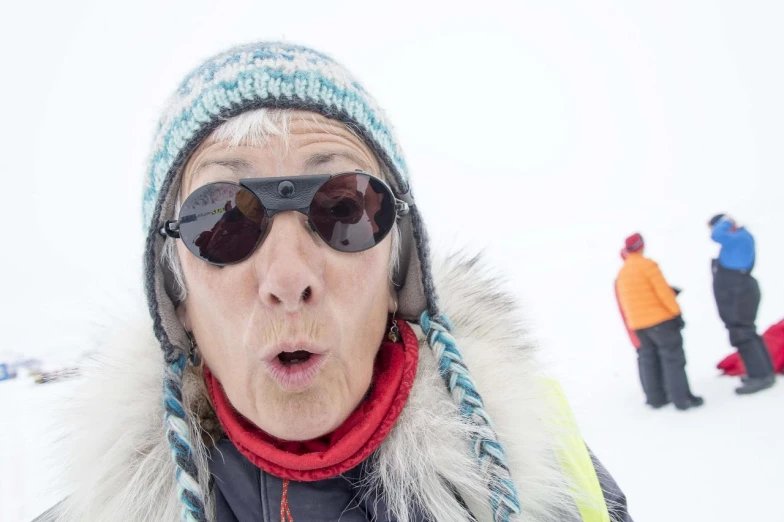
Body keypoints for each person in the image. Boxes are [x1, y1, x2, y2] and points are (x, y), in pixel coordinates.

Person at [35, 42, 631, 522]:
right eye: (220, 219)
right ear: (177, 303)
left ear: (401, 275)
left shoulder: (554, 492)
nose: (289, 277)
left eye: (345, 209)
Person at [616, 233, 703, 410]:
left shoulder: (623, 273)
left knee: (648, 359)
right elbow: (663, 293)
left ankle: (656, 398)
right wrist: (676, 313)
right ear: (641, 246)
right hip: (660, 321)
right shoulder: (647, 265)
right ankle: (681, 398)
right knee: (673, 358)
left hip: (638, 325)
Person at [709, 214, 776, 394]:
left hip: (739, 292)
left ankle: (760, 376)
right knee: (747, 332)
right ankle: (763, 372)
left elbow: (716, 236)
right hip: (739, 291)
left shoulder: (738, 236)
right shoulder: (737, 239)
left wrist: (725, 222)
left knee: (743, 334)